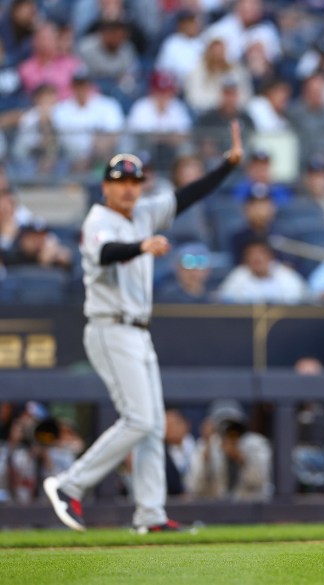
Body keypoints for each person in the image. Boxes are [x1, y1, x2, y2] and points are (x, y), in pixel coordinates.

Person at [42, 121, 243, 533]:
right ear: (106, 187)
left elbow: (186, 196)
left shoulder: (143, 213)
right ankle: (69, 485)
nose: (130, 188)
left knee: (151, 424)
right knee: (138, 420)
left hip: (137, 330)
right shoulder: (100, 218)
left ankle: (149, 515)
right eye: (121, 182)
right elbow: (106, 253)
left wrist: (226, 166)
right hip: (109, 326)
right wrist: (142, 246)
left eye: (135, 180)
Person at [186, 399, 273, 502]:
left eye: (232, 424)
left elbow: (260, 482)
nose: (229, 430)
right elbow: (196, 488)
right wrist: (207, 450)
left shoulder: (257, 444)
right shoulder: (206, 445)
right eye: (223, 424)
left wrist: (240, 458)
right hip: (217, 510)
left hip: (252, 508)